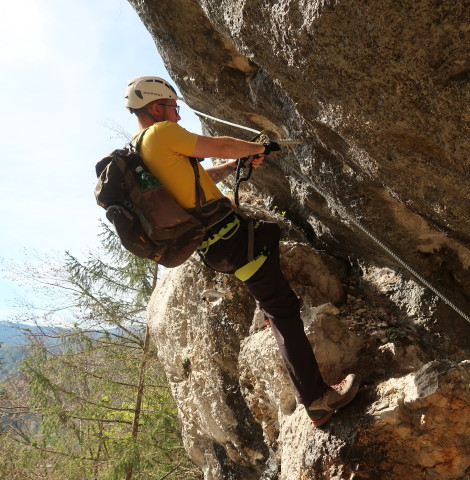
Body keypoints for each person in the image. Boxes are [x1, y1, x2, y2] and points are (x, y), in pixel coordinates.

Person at [124, 76, 359, 426]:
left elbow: (198, 180)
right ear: (156, 107)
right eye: (174, 108)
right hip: (231, 237)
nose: (177, 117)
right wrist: (257, 147)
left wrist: (239, 164)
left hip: (219, 242)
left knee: (278, 308)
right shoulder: (160, 132)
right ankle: (316, 399)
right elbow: (216, 144)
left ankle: (312, 393)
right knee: (283, 312)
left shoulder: (141, 148)